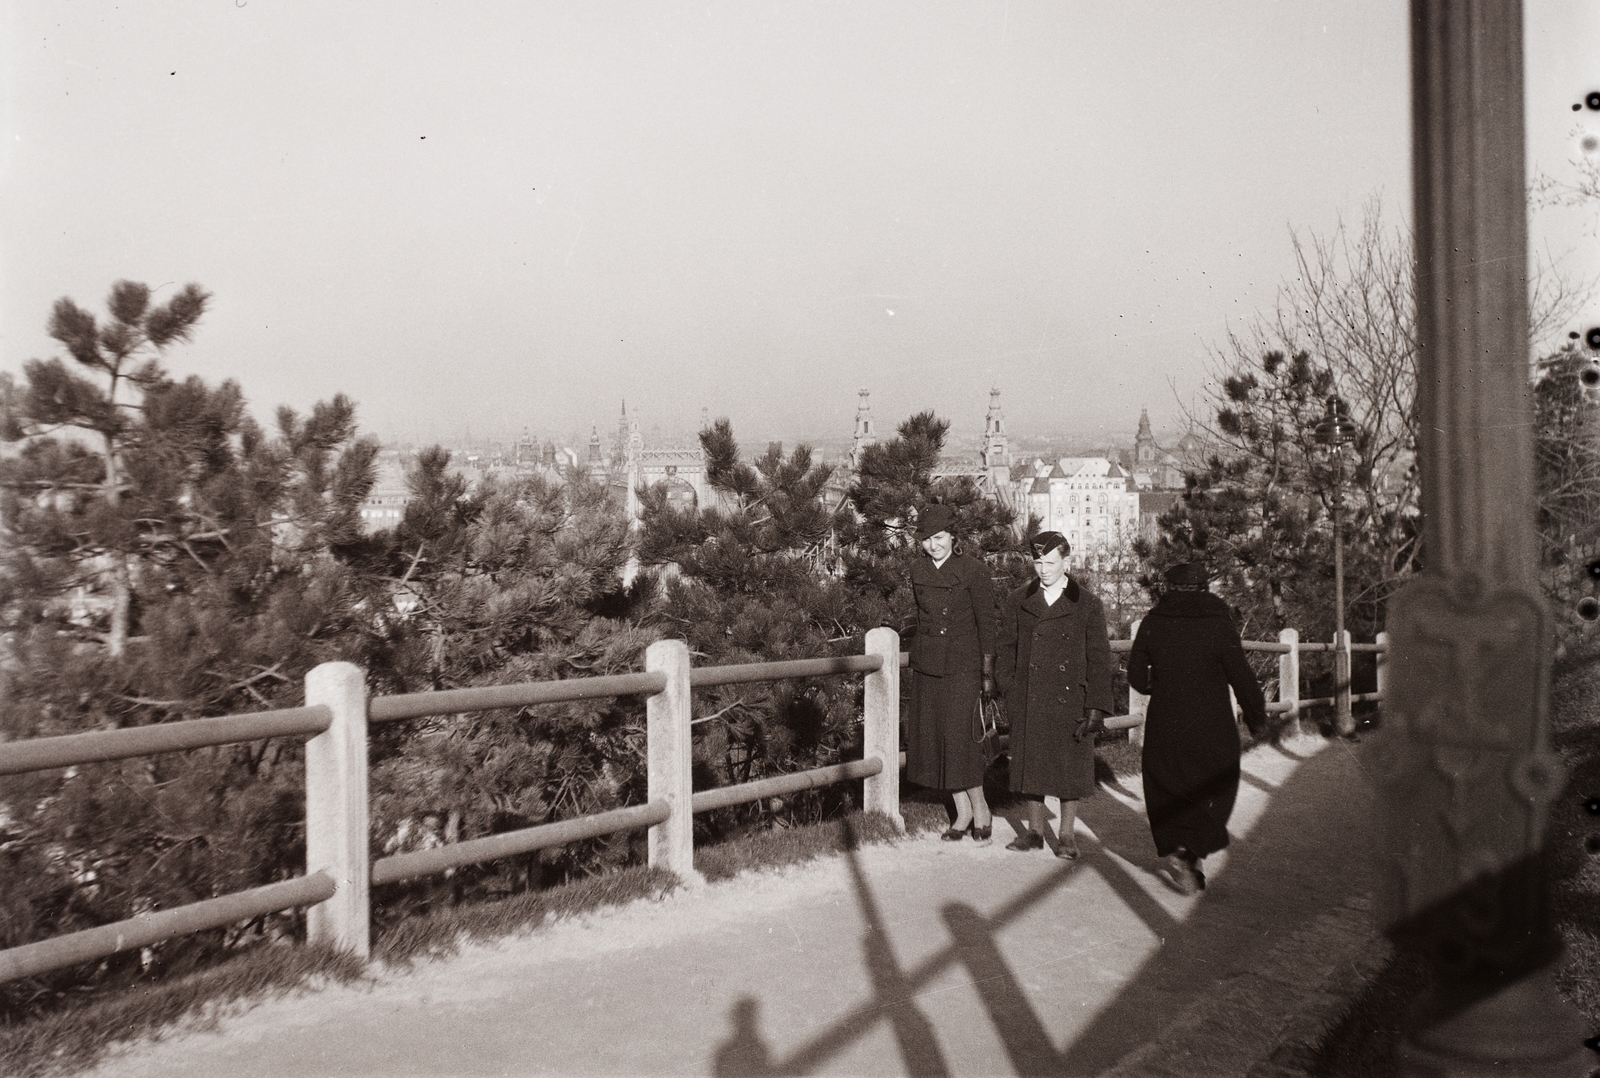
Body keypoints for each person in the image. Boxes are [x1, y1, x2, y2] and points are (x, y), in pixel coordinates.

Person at [1127, 561, 1268, 894]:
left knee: (1166, 785)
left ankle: (1178, 845)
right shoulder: (1219, 625)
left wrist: (1154, 686)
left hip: (1166, 722)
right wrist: (1257, 718)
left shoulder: (1153, 622)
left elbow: (1136, 675)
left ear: (1169, 589)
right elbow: (1241, 676)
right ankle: (1195, 852)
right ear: (1206, 589)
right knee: (1213, 787)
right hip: (1212, 723)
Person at [995, 531, 1114, 858]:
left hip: (1070, 697)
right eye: (1037, 562)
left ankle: (1065, 835)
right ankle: (1034, 831)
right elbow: (1006, 648)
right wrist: (1010, 686)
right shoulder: (1017, 599)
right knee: (1031, 763)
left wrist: (1097, 705)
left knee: (1068, 767)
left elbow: (1100, 658)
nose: (1043, 569)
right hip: (1028, 694)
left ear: (1066, 562)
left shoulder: (1087, 603)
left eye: (1050, 562)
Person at [904, 504, 998, 844]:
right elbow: (921, 616)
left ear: (953, 536)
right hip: (929, 665)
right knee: (938, 740)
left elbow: (987, 623)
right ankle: (963, 812)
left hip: (963, 665)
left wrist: (988, 671)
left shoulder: (974, 570)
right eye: (927, 539)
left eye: (939, 537)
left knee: (961, 741)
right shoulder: (917, 569)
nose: (934, 545)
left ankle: (981, 809)